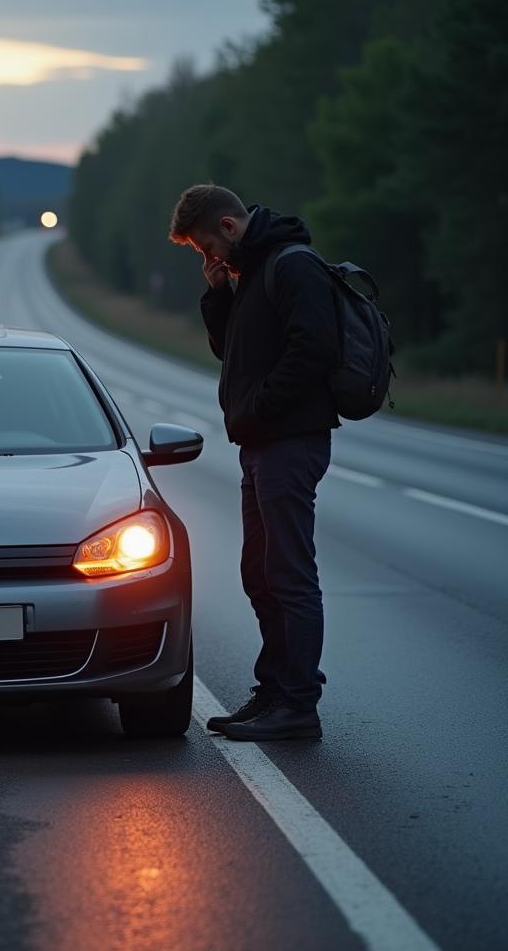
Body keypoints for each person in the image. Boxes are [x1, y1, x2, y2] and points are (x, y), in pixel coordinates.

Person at [169, 184, 338, 741]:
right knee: (259, 572)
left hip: (289, 440)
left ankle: (297, 705)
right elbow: (234, 350)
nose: (207, 258)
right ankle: (274, 691)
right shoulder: (250, 273)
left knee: (289, 573)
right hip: (262, 442)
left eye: (205, 247)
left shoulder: (293, 265)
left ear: (229, 226)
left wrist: (261, 409)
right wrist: (217, 297)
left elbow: (313, 349)